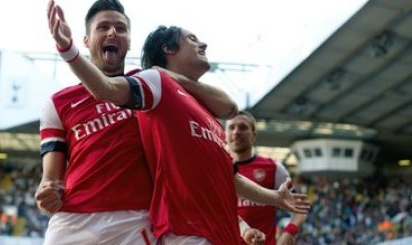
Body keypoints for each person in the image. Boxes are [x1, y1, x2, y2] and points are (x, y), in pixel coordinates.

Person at [47, 4, 310, 244]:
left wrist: (273, 198)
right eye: (192, 39)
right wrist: (67, 49)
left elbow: (227, 171)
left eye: (120, 27)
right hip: (182, 232)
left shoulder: (204, 111)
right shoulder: (154, 85)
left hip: (221, 235)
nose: (203, 44)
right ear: (168, 50)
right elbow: (105, 88)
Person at [36, 0, 239, 244]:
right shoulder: (58, 103)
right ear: (86, 41)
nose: (113, 32)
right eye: (103, 27)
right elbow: (50, 179)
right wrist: (47, 193)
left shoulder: (152, 87)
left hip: (136, 221)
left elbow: (228, 107)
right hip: (73, 221)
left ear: (129, 41)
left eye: (121, 28)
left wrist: (169, 76)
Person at [226, 111, 308, 245]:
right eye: (231, 127)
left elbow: (301, 206)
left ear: (254, 135)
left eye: (242, 127)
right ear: (224, 134)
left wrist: (288, 233)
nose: (236, 132)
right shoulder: (217, 169)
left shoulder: (273, 168)